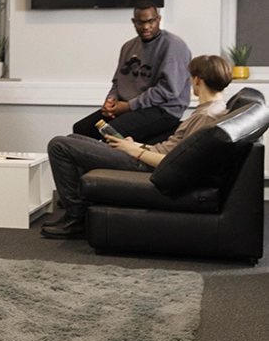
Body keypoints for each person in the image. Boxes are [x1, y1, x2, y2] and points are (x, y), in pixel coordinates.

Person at [41, 54, 231, 239]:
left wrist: (136, 152)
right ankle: (81, 207)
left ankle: (76, 218)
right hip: (147, 155)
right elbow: (173, 149)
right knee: (74, 138)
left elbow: (178, 162)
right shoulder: (212, 110)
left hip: (146, 164)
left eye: (190, 78)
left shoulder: (206, 117)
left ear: (198, 80)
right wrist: (138, 145)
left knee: (59, 145)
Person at [70, 2, 192, 144]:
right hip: (130, 106)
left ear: (158, 19)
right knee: (81, 129)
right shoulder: (128, 47)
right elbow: (118, 81)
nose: (146, 27)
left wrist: (128, 106)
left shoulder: (174, 46)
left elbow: (168, 91)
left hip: (162, 110)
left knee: (110, 132)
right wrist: (111, 101)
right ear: (134, 22)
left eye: (151, 21)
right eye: (141, 22)